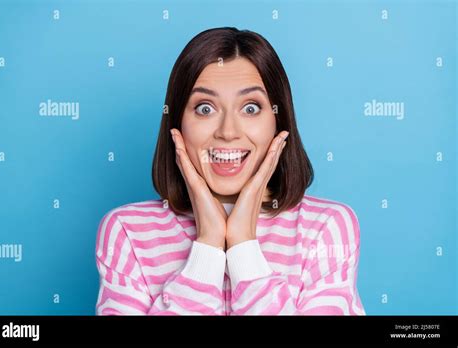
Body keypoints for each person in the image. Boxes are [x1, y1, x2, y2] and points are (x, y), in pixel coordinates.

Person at [95, 27, 366, 315]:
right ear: (177, 123)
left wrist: (243, 246)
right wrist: (208, 245)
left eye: (250, 108)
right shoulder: (127, 232)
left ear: (279, 120)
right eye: (205, 108)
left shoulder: (326, 227)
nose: (228, 132)